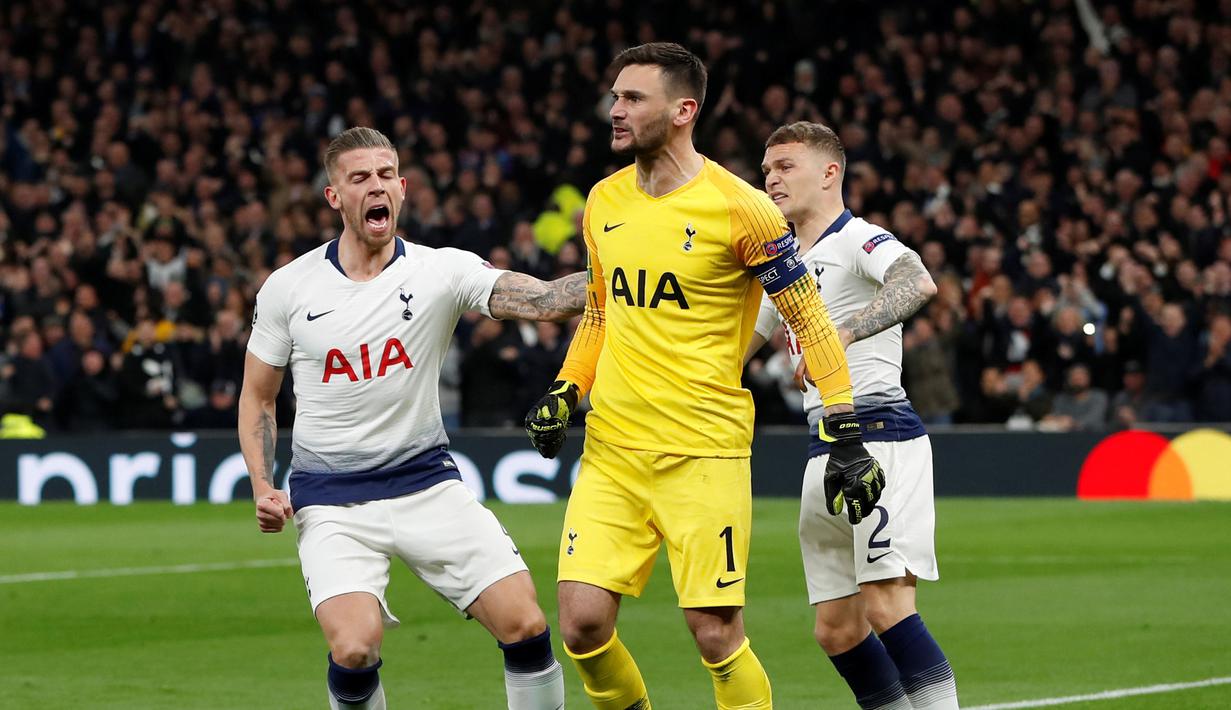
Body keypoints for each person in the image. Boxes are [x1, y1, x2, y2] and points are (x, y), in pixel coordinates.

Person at [523, 44, 884, 710]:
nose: (616, 109)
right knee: (579, 624)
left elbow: (807, 321)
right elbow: (602, 310)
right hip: (613, 449)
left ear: (683, 109)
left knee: (714, 633)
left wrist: (846, 432)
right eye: (614, 96)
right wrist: (565, 389)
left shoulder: (741, 209)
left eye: (633, 98)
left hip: (702, 452)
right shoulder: (603, 202)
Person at [238, 127, 586, 710]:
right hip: (333, 498)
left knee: (525, 624)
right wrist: (263, 484)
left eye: (384, 175)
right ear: (334, 198)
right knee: (353, 648)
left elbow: (543, 298)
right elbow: (258, 396)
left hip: (427, 484)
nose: (375, 187)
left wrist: (625, 279)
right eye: (359, 178)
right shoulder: (289, 288)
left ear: (401, 188)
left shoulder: (440, 271)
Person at [748, 121, 958, 709]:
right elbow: (737, 347)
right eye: (767, 170)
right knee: (836, 630)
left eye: (786, 166)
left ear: (830, 172)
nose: (771, 178)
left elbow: (917, 283)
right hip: (821, 448)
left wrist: (841, 333)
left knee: (888, 607)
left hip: (878, 439)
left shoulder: (860, 239)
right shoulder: (783, 267)